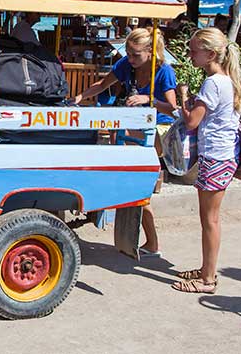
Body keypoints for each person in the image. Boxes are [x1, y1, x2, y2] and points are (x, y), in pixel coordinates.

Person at [72, 29, 178, 258]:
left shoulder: (164, 71)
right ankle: (148, 242)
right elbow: (102, 84)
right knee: (131, 182)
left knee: (136, 186)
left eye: (135, 54)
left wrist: (148, 99)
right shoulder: (126, 66)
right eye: (127, 53)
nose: (130, 58)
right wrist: (80, 97)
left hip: (158, 129)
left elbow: (173, 108)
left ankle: (152, 242)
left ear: (150, 52)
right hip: (134, 127)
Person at [170, 28, 241, 294]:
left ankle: (208, 279)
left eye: (194, 51)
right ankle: (206, 270)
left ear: (210, 54)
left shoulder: (213, 82)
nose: (190, 55)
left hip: (216, 155)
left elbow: (191, 122)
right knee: (209, 218)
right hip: (223, 155)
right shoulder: (227, 80)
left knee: (210, 219)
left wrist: (182, 97)